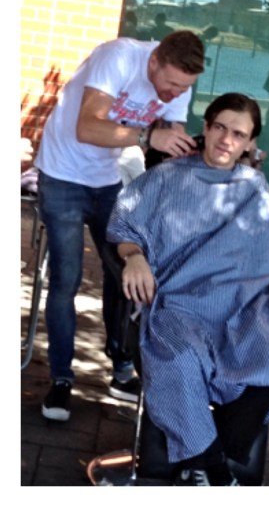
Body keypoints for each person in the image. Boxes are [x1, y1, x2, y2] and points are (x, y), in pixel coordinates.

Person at [107, 93, 269, 486]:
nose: (227, 139)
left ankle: (200, 467)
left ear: (249, 143)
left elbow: (267, 252)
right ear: (206, 128)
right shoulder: (166, 177)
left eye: (238, 134)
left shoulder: (253, 186)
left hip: (241, 305)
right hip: (178, 302)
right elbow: (125, 228)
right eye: (221, 128)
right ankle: (216, 472)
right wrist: (134, 257)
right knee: (178, 360)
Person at [34, 30, 205, 423]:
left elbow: (169, 151)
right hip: (62, 176)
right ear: (154, 61)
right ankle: (61, 379)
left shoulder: (178, 86)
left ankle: (121, 367)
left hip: (107, 181)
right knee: (67, 280)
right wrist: (148, 135)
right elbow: (87, 127)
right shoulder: (120, 57)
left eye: (185, 88)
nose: (174, 93)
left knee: (128, 271)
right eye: (171, 84)